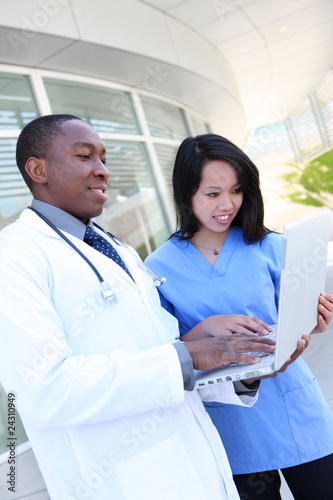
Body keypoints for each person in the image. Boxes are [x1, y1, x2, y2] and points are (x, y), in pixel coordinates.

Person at [0, 115, 292, 500]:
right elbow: (44, 391)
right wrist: (187, 355)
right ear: (37, 170)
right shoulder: (15, 256)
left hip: (196, 465)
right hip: (123, 481)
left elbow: (164, 351)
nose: (102, 171)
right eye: (84, 156)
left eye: (103, 159)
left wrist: (238, 368)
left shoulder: (116, 249)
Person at [145, 133, 333, 500]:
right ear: (187, 195)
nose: (227, 204)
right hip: (228, 420)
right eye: (212, 193)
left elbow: (296, 317)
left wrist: (316, 317)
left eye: (236, 190)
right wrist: (200, 333)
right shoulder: (157, 267)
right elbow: (160, 351)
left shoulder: (272, 247)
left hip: (293, 405)